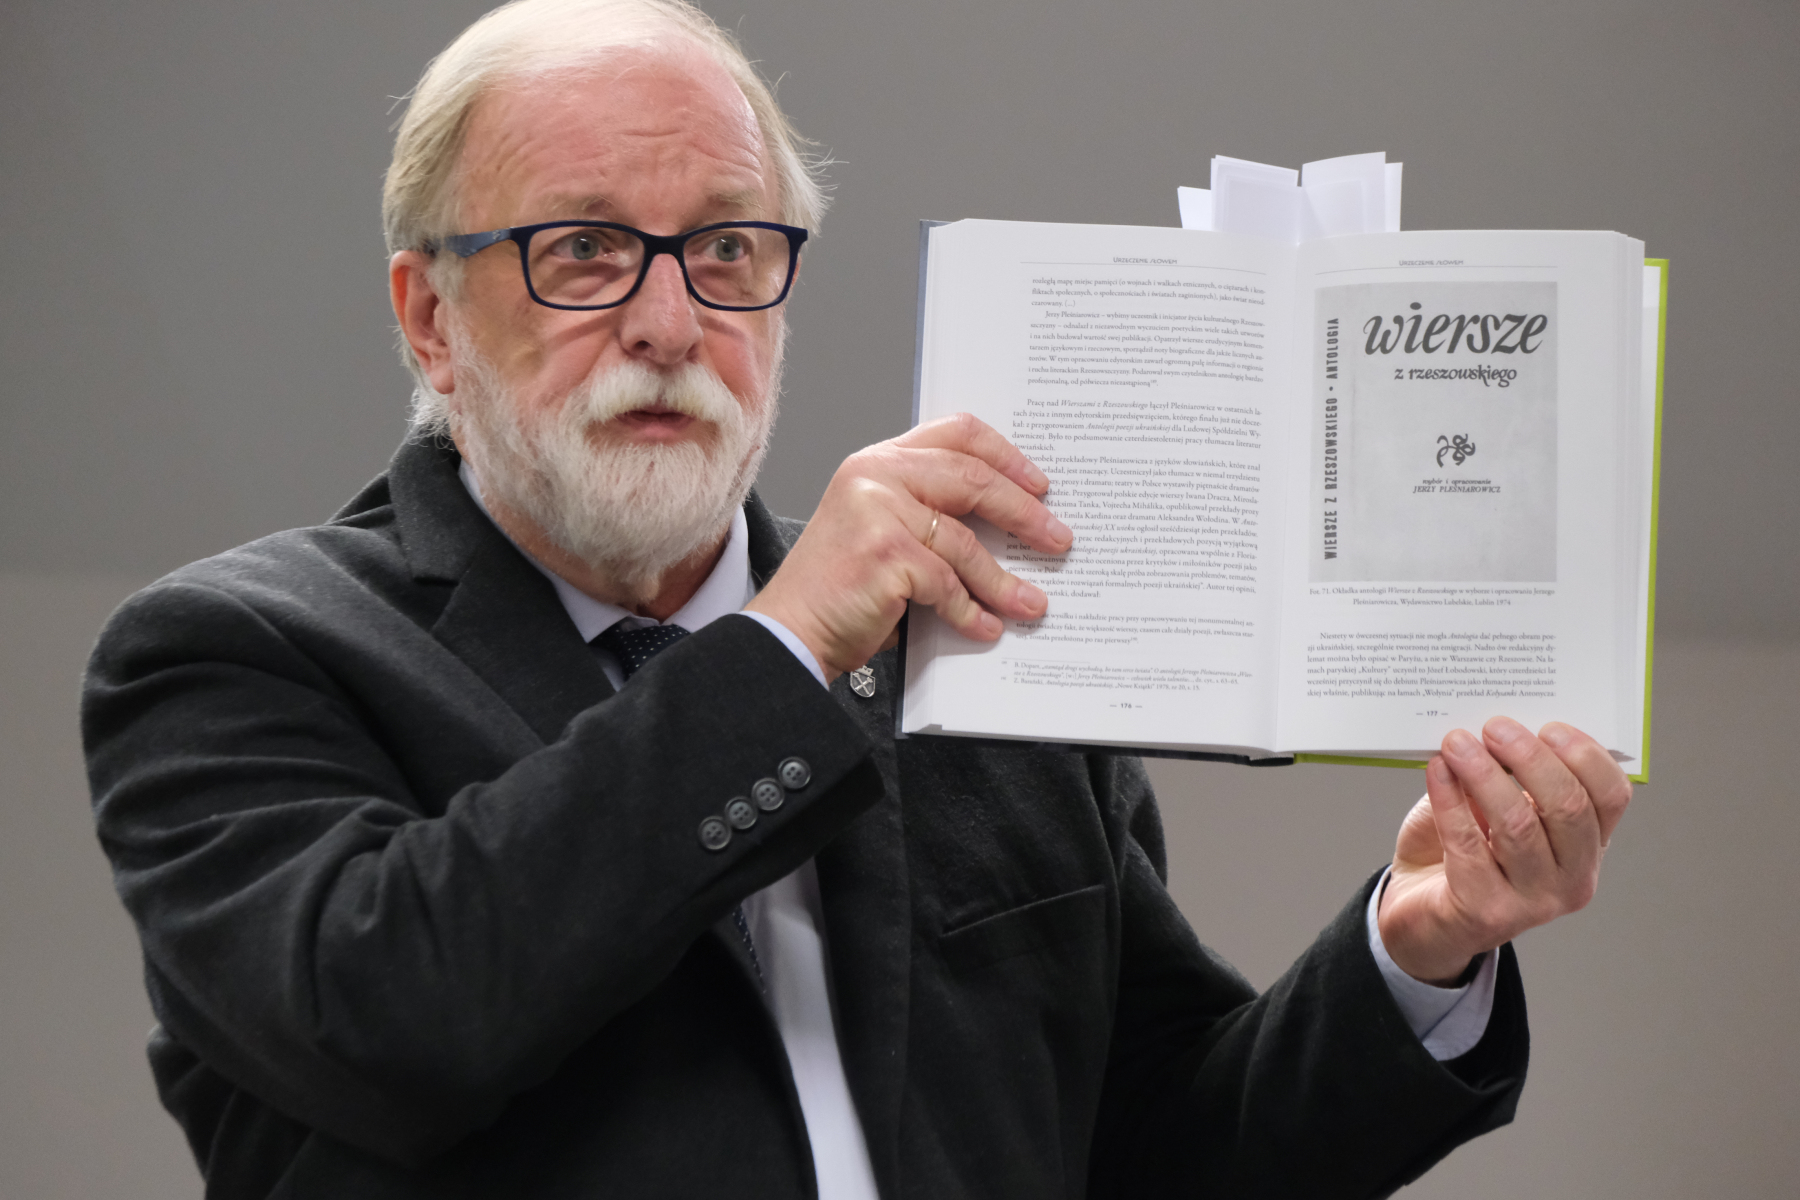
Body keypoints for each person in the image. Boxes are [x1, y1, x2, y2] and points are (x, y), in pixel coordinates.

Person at [81, 1, 1632, 1197]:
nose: (671, 319)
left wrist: (1420, 945)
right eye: (585, 249)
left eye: (727, 248)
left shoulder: (975, 655)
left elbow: (1165, 1150)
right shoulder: (235, 654)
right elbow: (391, 1019)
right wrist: (790, 643)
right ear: (429, 315)